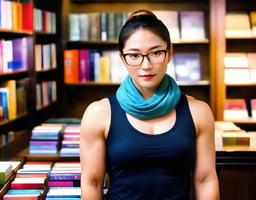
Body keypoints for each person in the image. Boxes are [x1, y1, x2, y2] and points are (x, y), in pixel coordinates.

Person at [80, 9, 220, 200]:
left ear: (169, 53)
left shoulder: (199, 111)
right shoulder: (98, 113)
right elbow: (92, 183)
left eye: (155, 53)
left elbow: (205, 180)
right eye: (135, 55)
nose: (146, 65)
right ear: (122, 58)